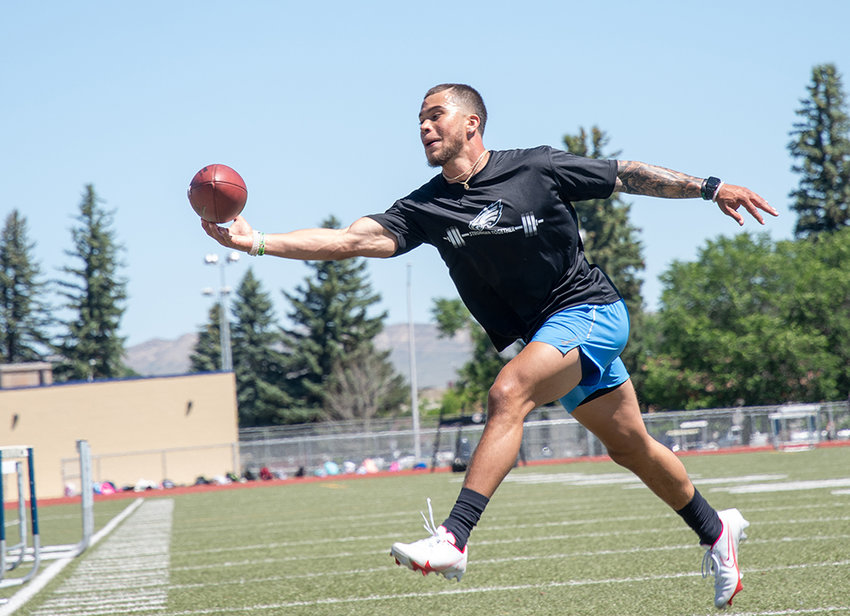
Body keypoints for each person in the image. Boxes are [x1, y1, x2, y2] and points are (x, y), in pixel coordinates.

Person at [202, 83, 778, 609]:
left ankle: (454, 536)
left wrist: (709, 188)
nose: (425, 128)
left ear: (471, 123)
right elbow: (351, 240)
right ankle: (714, 528)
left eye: (435, 116)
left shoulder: (537, 167)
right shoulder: (426, 206)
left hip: (591, 313)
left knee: (509, 392)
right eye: (419, 121)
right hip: (541, 340)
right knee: (632, 448)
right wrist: (260, 242)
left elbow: (625, 175)